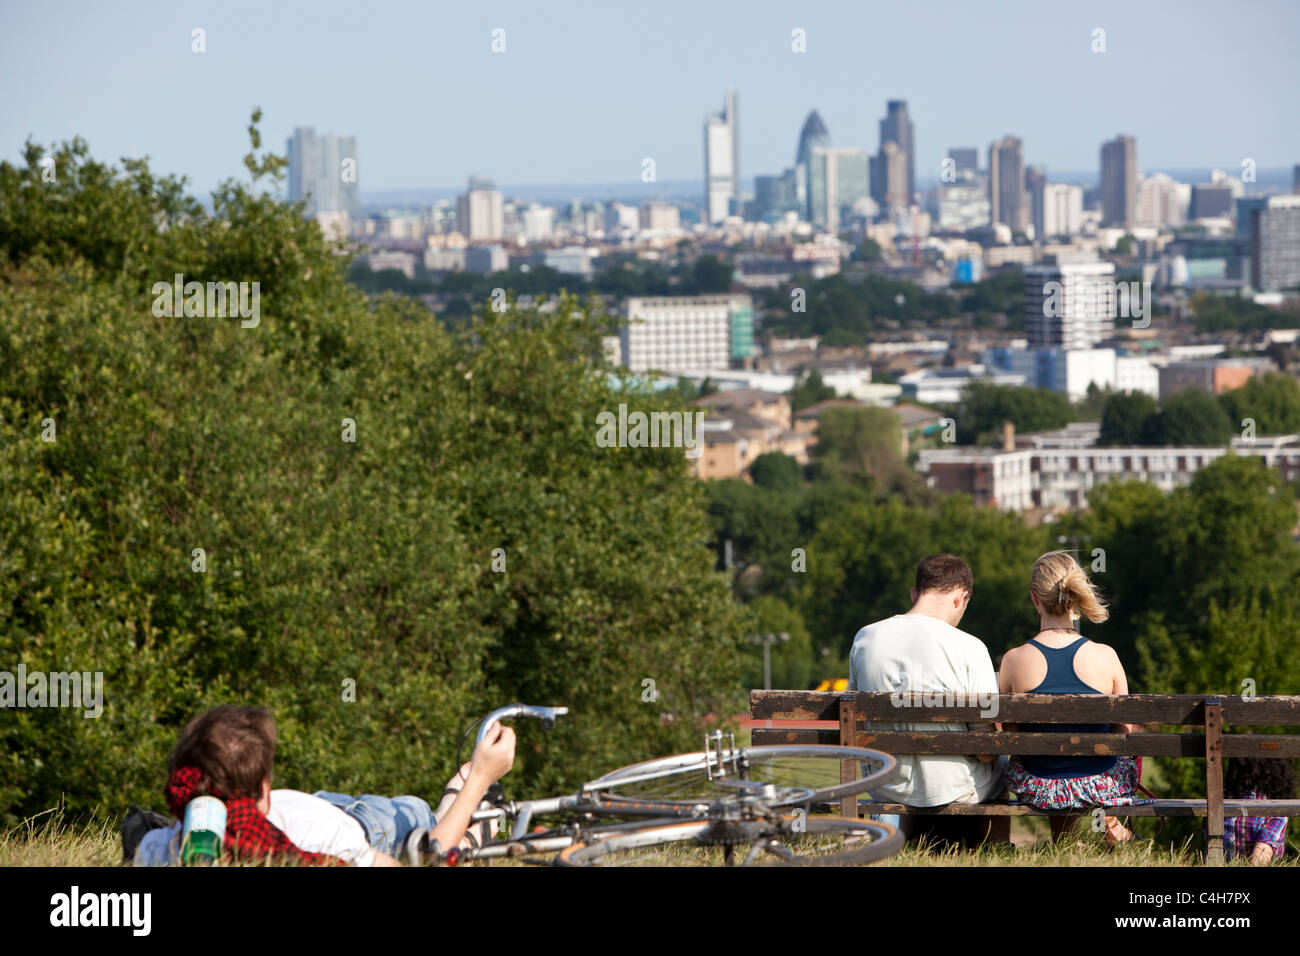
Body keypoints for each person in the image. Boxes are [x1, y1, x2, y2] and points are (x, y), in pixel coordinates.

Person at [136, 704, 515, 866]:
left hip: (322, 812)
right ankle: (472, 800)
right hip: (364, 824)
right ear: (263, 790)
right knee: (426, 831)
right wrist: (481, 776)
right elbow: (430, 859)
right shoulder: (317, 841)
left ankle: (467, 790)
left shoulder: (159, 849)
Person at [849, 553, 1009, 847]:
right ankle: (995, 848)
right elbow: (985, 749)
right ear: (960, 599)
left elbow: (853, 714)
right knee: (1003, 762)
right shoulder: (971, 647)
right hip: (952, 787)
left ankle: (892, 836)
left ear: (915, 593)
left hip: (885, 784)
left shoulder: (865, 638)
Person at [999, 550, 1141, 844]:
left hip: (1040, 785)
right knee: (1112, 758)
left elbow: (1010, 736)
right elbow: (1125, 732)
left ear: (1035, 598)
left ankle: (1065, 843)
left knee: (1037, 761)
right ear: (1075, 598)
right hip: (1101, 783)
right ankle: (1111, 828)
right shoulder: (1106, 656)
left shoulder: (1014, 660)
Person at [1221, 757, 1292, 864]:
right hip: (1271, 802)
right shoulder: (1277, 812)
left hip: (1226, 801)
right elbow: (1264, 846)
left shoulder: (1224, 802)